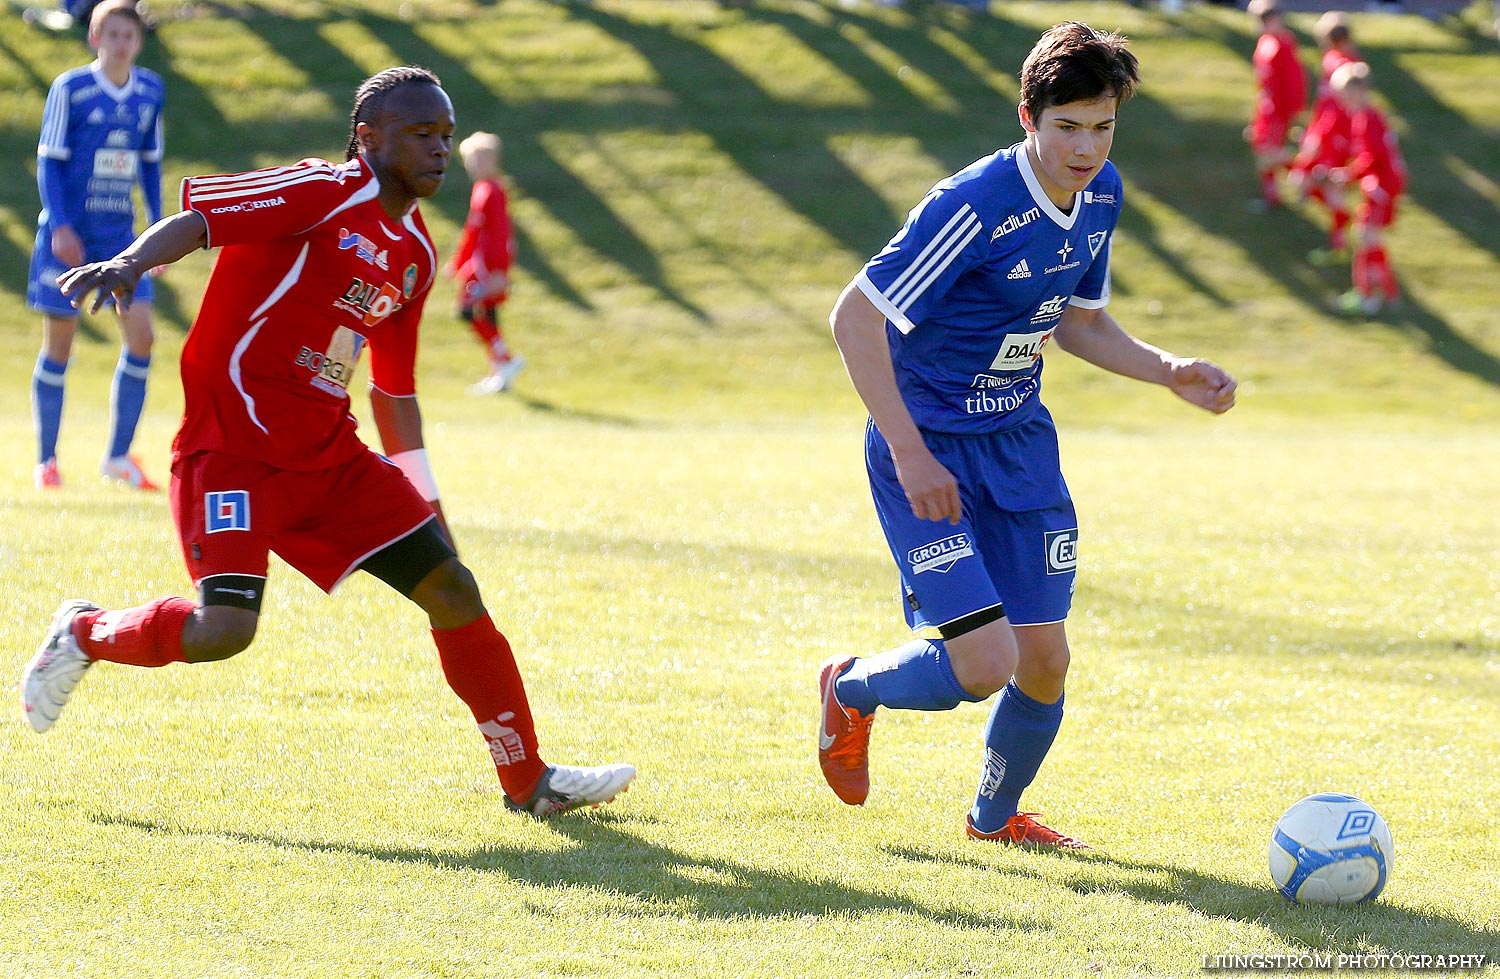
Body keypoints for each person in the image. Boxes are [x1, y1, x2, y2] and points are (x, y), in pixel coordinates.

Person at [20, 66, 636, 817]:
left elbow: (395, 393)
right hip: (233, 452)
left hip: (329, 458)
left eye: (445, 135)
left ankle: (528, 781)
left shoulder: (415, 254)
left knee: (453, 587)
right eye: (420, 134)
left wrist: (430, 502)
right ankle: (84, 631)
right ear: (367, 138)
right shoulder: (320, 189)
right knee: (224, 630)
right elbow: (201, 224)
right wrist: (132, 261)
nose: (439, 149)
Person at [818, 23, 1237, 848]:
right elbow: (854, 317)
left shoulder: (1103, 194)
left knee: (1044, 660)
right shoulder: (971, 204)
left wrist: (1169, 370)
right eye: (1068, 126)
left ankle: (994, 819)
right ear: (1027, 117)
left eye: (1103, 125)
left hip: (1019, 447)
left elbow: (1079, 325)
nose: (1087, 147)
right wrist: (909, 451)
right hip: (928, 447)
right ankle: (850, 688)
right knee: (983, 666)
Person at [28, 0, 164, 490]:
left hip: (120, 239)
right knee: (60, 346)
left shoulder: (150, 90)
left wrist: (156, 231)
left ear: (139, 41)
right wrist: (61, 226)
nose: (121, 44)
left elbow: (149, 163)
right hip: (69, 237)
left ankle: (118, 458)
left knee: (143, 339)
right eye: (112, 35)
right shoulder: (72, 88)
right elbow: (49, 161)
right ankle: (47, 460)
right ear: (95, 39)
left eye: (129, 35)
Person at [447, 131, 525, 395]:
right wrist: (458, 263)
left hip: (486, 268)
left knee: (468, 310)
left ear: (493, 160)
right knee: (488, 315)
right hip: (477, 266)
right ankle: (500, 371)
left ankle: (505, 361)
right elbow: (472, 232)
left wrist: (499, 270)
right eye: (471, 159)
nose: (475, 165)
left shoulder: (494, 191)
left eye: (480, 158)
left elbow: (502, 233)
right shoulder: (481, 189)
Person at [1329, 61, 1407, 316]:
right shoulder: (1370, 115)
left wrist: (1348, 174)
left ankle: (1368, 296)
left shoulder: (1366, 117)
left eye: (1345, 94)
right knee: (1369, 238)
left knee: (1365, 237)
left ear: (1359, 91)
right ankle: (1388, 294)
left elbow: (1373, 157)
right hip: (1382, 183)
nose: (1342, 100)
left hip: (1381, 185)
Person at [1289, 13, 1359, 264]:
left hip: (1335, 136)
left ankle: (1340, 240)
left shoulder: (1343, 66)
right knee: (1307, 179)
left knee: (1321, 183)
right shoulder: (1341, 60)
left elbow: (1335, 108)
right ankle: (1340, 233)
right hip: (1329, 133)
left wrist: (1317, 136)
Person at [1245, 0, 1307, 211]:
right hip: (1266, 107)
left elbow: (1294, 81)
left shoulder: (1284, 44)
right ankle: (1272, 195)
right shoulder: (1265, 42)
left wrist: (1293, 110)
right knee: (1262, 150)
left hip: (1279, 109)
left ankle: (1306, 175)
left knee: (1270, 152)